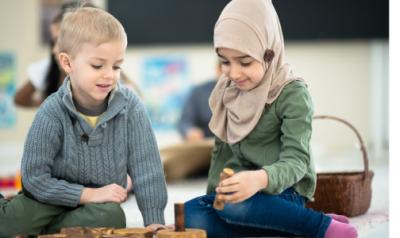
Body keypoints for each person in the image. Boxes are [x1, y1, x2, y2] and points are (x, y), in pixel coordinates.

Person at [184, 0, 358, 238]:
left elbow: (297, 161)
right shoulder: (227, 91)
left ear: (269, 53)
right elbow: (221, 153)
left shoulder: (292, 93)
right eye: (225, 62)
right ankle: (289, 226)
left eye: (245, 62)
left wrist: (259, 179)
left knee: (236, 207)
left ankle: (319, 226)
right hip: (242, 195)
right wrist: (214, 200)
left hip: (284, 191)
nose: (233, 73)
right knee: (191, 214)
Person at [0, 6, 167, 237]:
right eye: (98, 66)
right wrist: (87, 193)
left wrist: (154, 220)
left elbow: (147, 168)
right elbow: (33, 178)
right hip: (44, 201)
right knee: (8, 225)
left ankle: (47, 231)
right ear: (68, 63)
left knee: (113, 217)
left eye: (117, 66)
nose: (109, 75)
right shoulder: (51, 110)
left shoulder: (131, 107)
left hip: (94, 208)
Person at [14, 2, 141, 108]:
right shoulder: (49, 69)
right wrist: (51, 106)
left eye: (116, 67)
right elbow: (19, 98)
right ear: (66, 62)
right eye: (54, 41)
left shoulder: (123, 92)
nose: (54, 49)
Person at [177, 62, 221, 141]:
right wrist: (189, 131)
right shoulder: (199, 92)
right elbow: (184, 121)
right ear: (218, 69)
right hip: (206, 145)